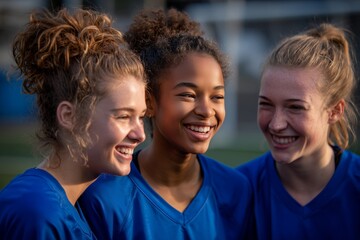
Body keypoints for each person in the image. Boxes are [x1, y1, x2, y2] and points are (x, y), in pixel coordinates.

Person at [78, 8, 255, 239]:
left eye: (217, 97)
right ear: (149, 102)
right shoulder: (104, 197)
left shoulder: (236, 190)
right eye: (188, 95)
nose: (206, 110)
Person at [0, 8, 147, 239]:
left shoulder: (77, 206)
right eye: (123, 116)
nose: (140, 134)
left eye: (141, 117)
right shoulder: (37, 212)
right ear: (70, 116)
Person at [237, 23, 360, 239]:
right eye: (266, 104)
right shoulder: (237, 190)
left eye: (295, 107)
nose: (276, 124)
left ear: (334, 111)